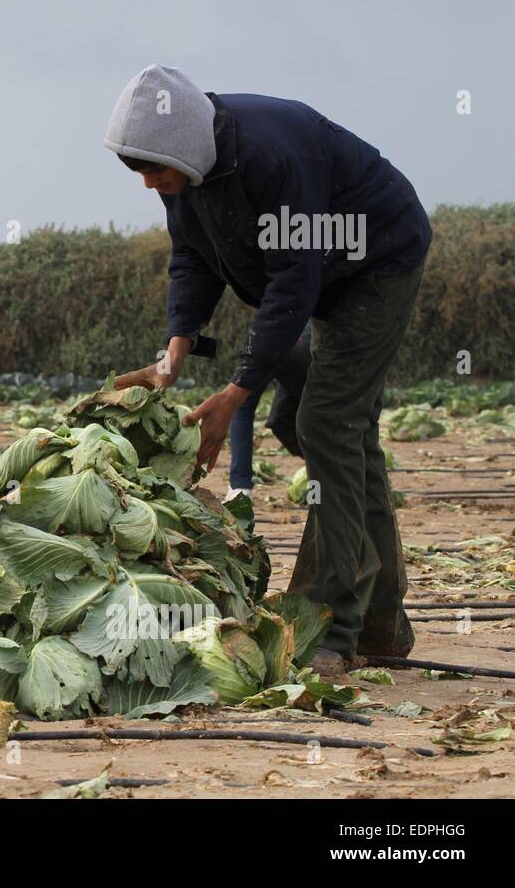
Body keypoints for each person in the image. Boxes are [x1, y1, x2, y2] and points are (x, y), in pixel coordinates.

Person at [107, 64, 431, 676]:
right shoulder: (189, 179)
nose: (150, 184)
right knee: (330, 432)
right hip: (322, 278)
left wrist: (235, 393)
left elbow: (293, 280)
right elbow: (191, 261)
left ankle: (332, 628)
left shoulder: (273, 153)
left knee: (328, 421)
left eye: (154, 170)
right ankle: (384, 626)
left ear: (184, 148)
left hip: (376, 264)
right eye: (141, 172)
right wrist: (174, 353)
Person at [225, 325, 310, 501]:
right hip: (295, 341)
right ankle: (329, 471)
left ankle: (239, 487)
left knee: (244, 404)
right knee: (280, 421)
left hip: (285, 339)